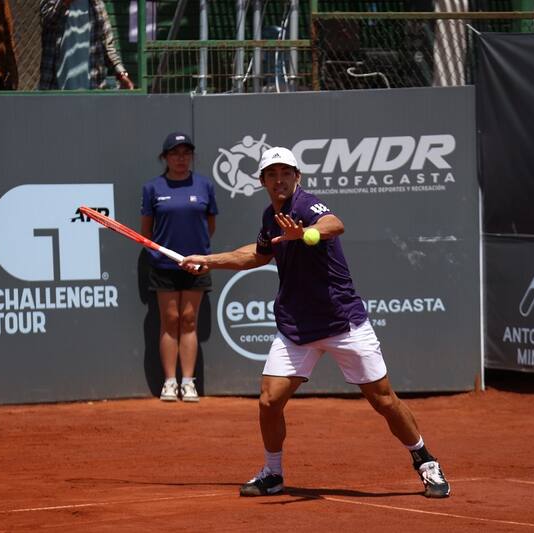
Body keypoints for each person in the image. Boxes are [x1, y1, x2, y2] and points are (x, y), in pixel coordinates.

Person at [180, 147, 450, 498]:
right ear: (262, 181)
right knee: (269, 401)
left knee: (384, 401)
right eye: (272, 175)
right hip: (297, 329)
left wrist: (306, 234)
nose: (280, 180)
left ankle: (425, 461)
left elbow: (334, 224)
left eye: (286, 173)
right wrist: (208, 260)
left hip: (342, 324)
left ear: (297, 177)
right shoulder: (270, 216)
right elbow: (257, 254)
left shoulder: (306, 205)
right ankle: (273, 474)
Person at [141, 133, 218, 402]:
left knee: (188, 320)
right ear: (165, 158)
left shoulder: (204, 186)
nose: (181, 158)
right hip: (164, 265)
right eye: (175, 153)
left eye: (186, 153)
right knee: (170, 320)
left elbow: (209, 226)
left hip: (197, 264)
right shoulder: (152, 188)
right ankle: (170, 383)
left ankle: (188, 382)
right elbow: (146, 231)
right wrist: (164, 255)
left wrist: (197, 256)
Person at [39, 0, 134, 90]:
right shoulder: (52, 2)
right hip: (57, 90)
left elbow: (108, 46)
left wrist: (122, 75)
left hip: (92, 90)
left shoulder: (97, 6)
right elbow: (47, 20)